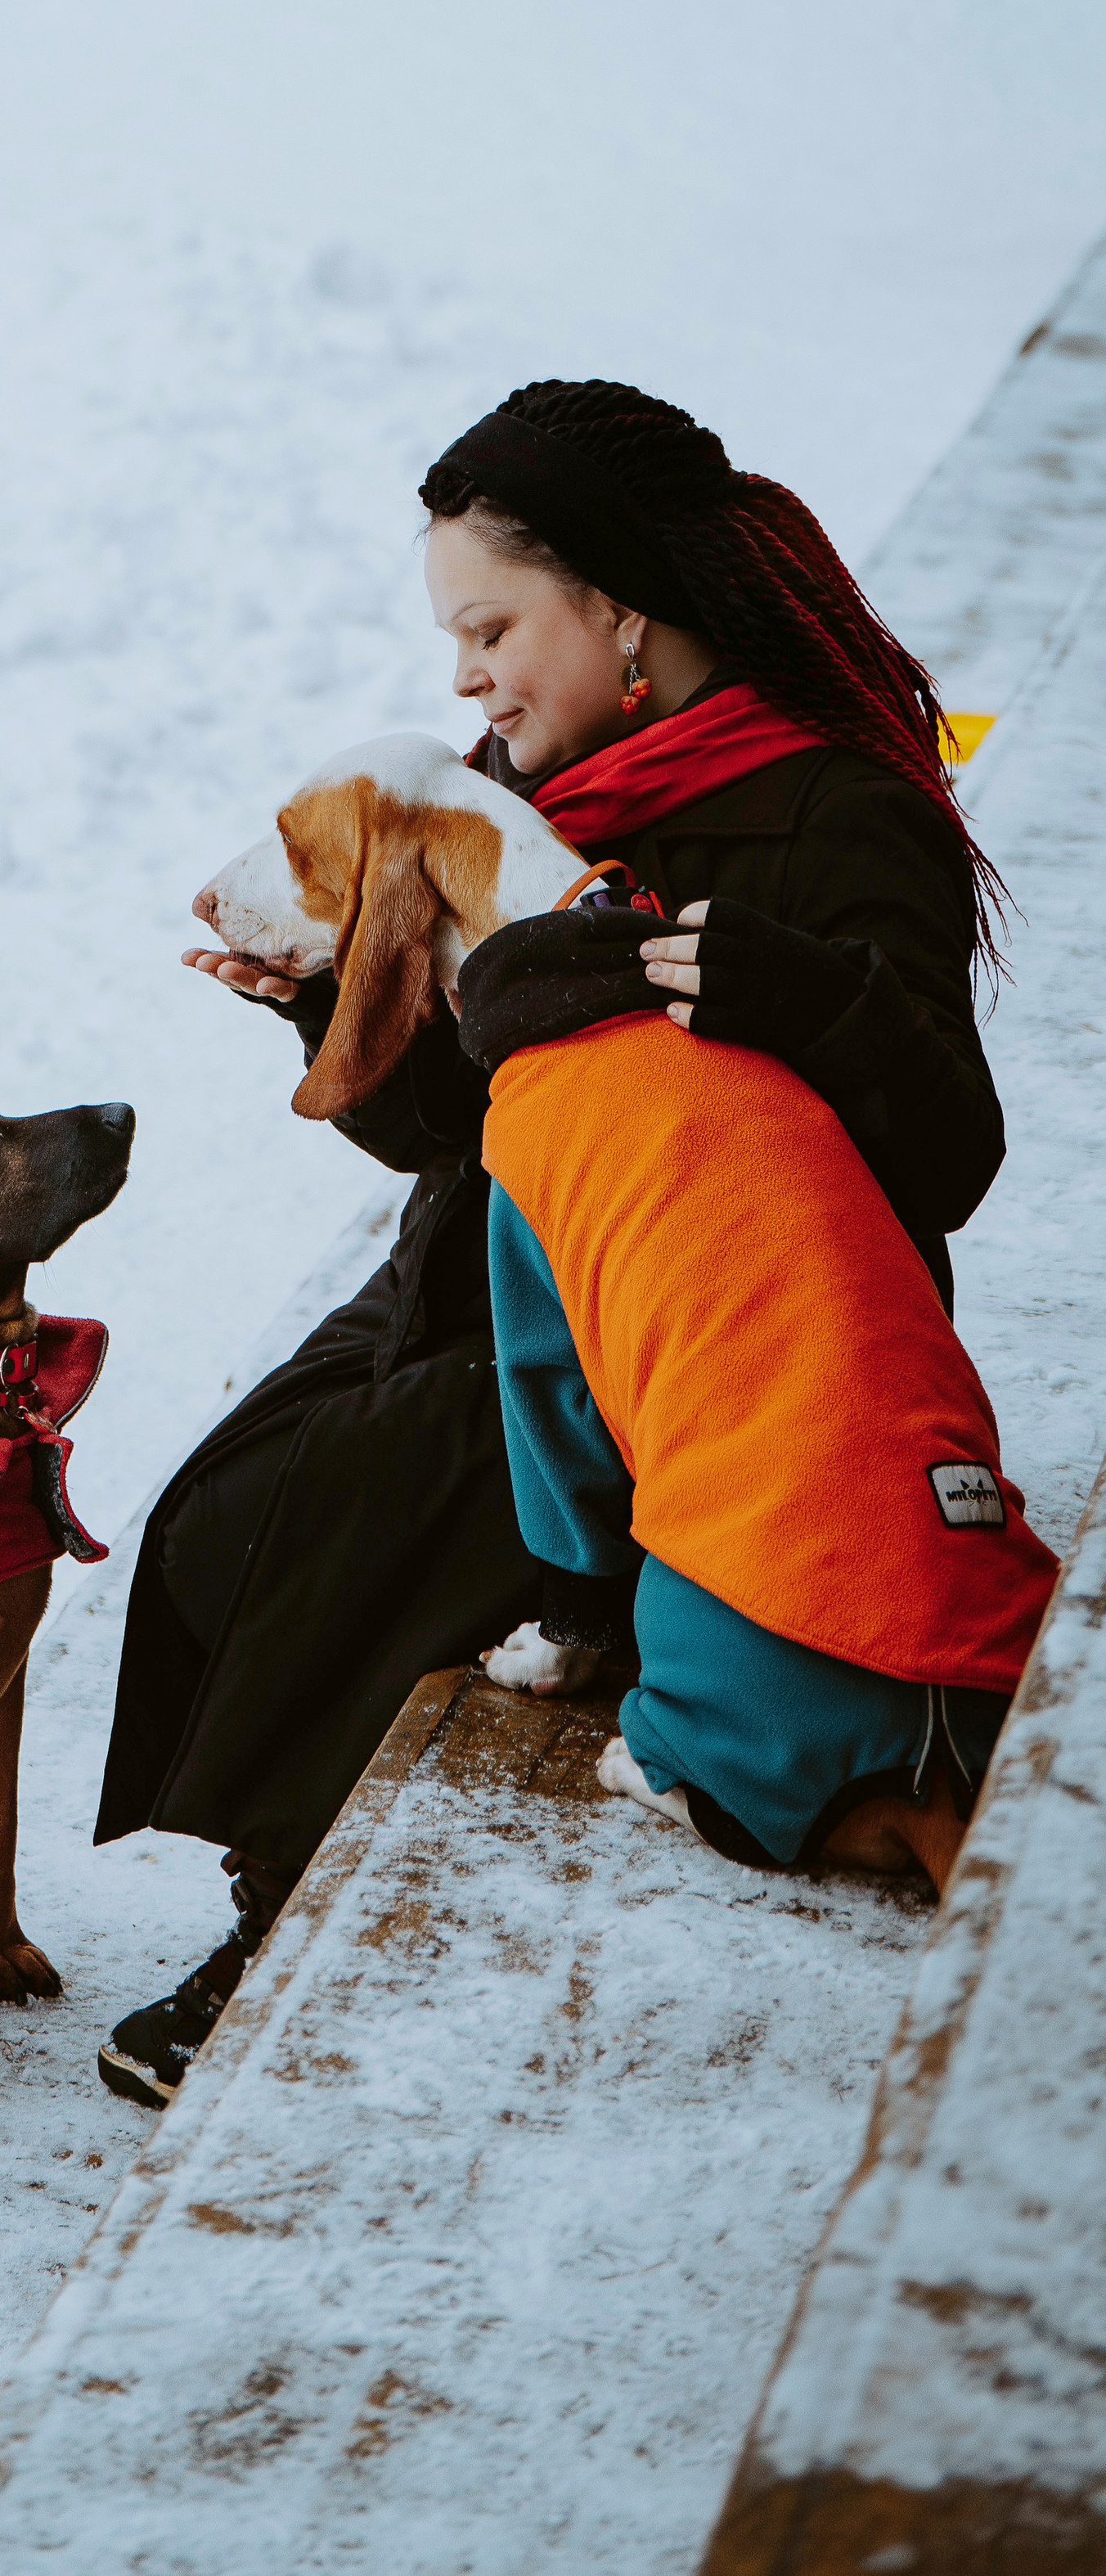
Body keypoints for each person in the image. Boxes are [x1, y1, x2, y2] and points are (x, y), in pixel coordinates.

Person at [93, 376, 1009, 2112]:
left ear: (619, 604)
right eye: (452, 636)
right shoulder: (520, 795)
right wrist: (321, 1014)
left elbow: (947, 1157)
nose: (465, 676)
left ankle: (296, 1920)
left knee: (382, 1495)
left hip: (729, 1326)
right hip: (505, 1258)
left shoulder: (832, 814)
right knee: (229, 1503)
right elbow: (447, 1124)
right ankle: (271, 1875)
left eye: (492, 623)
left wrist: (799, 998)